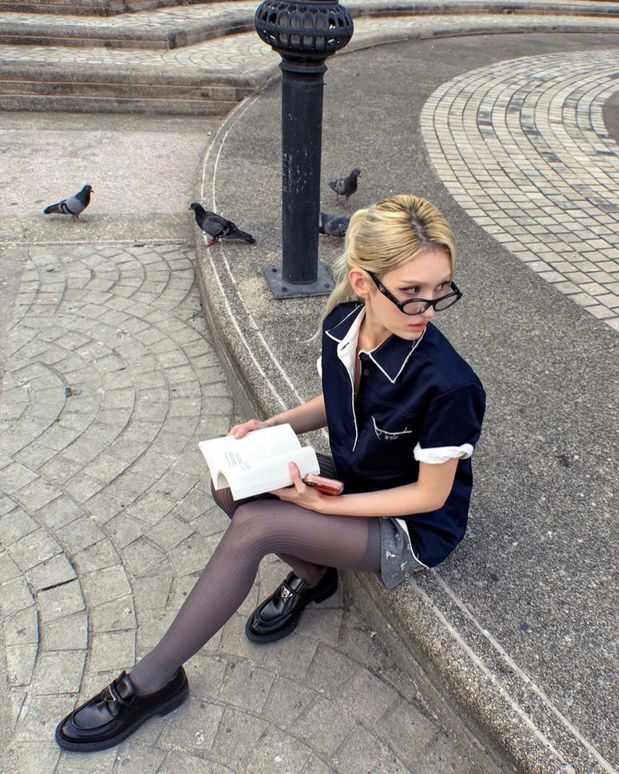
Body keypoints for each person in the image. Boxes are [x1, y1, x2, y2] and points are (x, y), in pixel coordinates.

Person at [55, 194, 486, 752]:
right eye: (411, 292)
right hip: (359, 478)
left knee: (257, 525)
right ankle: (316, 575)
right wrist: (272, 424)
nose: (427, 309)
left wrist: (325, 506)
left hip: (410, 527)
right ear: (362, 283)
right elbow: (340, 401)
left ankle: (152, 682)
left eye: (439, 290)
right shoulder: (343, 324)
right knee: (230, 483)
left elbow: (430, 496)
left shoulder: (450, 385)